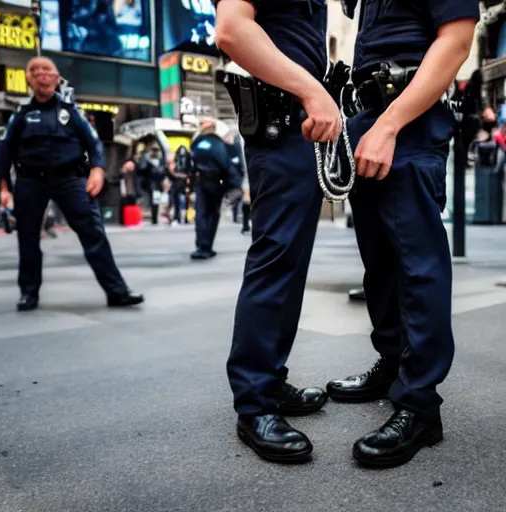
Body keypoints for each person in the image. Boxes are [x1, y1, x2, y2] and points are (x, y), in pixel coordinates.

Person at [326, 1, 479, 468]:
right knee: (381, 263)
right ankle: (392, 365)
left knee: (418, 266)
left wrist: (390, 124)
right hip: (368, 120)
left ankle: (419, 404)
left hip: (406, 123)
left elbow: (455, 41)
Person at [214, 0, 342, 463]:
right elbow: (230, 30)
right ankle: (254, 404)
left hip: (299, 125)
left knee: (288, 263)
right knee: (275, 259)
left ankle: (267, 378)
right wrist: (314, 91)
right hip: (283, 119)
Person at [0, 57, 144, 312]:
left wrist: (97, 170)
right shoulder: (20, 115)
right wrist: (3, 187)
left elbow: (94, 143)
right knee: (28, 239)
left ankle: (117, 291)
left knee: (93, 234)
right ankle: (28, 293)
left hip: (69, 180)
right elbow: (5, 150)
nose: (41, 75)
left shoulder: (71, 112)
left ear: (56, 78)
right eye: (35, 71)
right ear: (29, 80)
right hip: (30, 182)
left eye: (47, 71)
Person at [189, 120, 237, 260]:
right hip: (217, 182)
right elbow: (225, 163)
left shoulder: (198, 143)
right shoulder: (218, 144)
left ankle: (202, 246)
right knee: (212, 214)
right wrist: (233, 183)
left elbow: (191, 161)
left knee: (202, 214)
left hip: (202, 181)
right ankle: (207, 246)